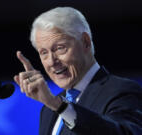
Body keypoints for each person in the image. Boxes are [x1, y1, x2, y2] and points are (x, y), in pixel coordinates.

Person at [14, 7, 142, 135]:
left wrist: (59, 106)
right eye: (44, 53)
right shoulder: (48, 111)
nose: (52, 62)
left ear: (85, 42)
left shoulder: (122, 91)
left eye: (60, 48)